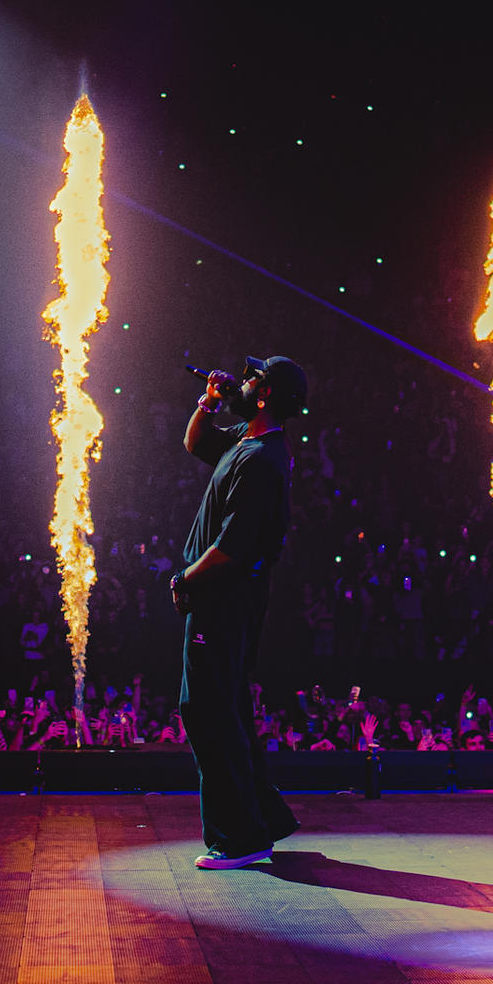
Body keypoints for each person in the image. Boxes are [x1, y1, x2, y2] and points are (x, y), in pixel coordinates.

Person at [170, 355, 307, 869]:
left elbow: (233, 547)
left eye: (253, 379)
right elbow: (197, 443)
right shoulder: (248, 443)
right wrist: (209, 401)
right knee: (226, 709)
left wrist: (186, 579)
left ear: (266, 394)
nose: (242, 382)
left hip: (224, 600)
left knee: (206, 711)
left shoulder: (265, 459)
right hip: (222, 599)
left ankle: (239, 838)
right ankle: (261, 821)